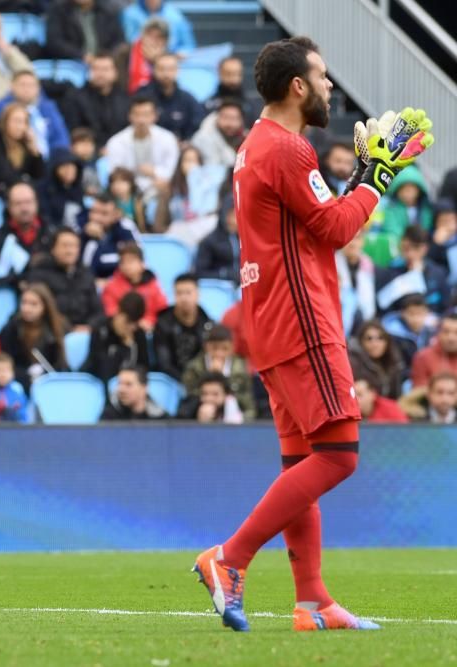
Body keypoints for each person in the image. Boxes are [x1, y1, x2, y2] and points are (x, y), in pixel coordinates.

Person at [192, 37, 433, 633]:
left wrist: (355, 176)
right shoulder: (288, 150)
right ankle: (230, 556)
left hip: (270, 321)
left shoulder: (256, 146)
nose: (330, 87)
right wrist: (376, 176)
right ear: (297, 86)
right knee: (340, 456)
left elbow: (311, 222)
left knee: (302, 461)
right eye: (323, 77)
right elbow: (334, 228)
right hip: (303, 320)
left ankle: (313, 602)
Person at [104, 96, 179, 206]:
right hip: (128, 190)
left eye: (146, 115)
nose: (141, 120)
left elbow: (171, 169)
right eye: (137, 115)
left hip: (158, 187)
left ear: (154, 116)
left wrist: (154, 172)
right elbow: (115, 172)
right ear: (130, 116)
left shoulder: (168, 139)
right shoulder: (116, 142)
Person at [26, 228, 100, 330]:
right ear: (53, 249)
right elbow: (37, 310)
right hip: (52, 333)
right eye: (65, 246)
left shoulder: (86, 274)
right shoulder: (39, 275)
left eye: (74, 246)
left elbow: (99, 312)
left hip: (84, 333)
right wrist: (68, 329)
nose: (70, 251)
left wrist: (89, 326)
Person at [0, 182, 55, 287]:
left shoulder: (51, 233)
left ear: (36, 203)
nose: (24, 208)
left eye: (28, 202)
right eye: (18, 203)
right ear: (9, 206)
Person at [0, 283, 66, 389]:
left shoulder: (57, 328)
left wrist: (43, 374)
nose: (27, 308)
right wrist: (26, 375)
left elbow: (60, 364)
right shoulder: (12, 328)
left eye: (34, 304)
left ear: (45, 306)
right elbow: (6, 360)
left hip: (50, 384)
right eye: (24, 303)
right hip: (19, 381)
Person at [0, 71, 69, 161]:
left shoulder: (48, 107)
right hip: (16, 160)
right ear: (12, 86)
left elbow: (60, 137)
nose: (27, 89)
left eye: (31, 85)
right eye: (22, 85)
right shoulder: (2, 107)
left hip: (48, 162)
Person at [181, 324, 254, 420]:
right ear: (206, 347)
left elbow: (247, 400)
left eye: (224, 349)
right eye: (214, 348)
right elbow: (189, 394)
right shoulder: (194, 368)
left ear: (232, 347)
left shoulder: (240, 368)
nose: (219, 353)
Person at [375, 225, 449, 314]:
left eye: (416, 248)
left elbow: (445, 305)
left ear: (425, 248)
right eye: (406, 248)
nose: (410, 254)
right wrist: (410, 277)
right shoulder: (391, 270)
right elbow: (384, 304)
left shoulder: (437, 273)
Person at [61, 53, 131, 148]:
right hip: (89, 150)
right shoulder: (75, 98)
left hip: (121, 149)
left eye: (105, 69)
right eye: (95, 69)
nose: (100, 74)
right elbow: (75, 130)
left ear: (115, 72)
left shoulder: (126, 98)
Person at [152, 273, 213, 379]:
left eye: (188, 293)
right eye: (179, 293)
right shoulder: (163, 324)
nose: (184, 298)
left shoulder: (208, 323)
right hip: (173, 380)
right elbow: (164, 364)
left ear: (197, 294)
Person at [82, 292, 150, 382]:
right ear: (118, 313)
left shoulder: (138, 334)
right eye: (128, 321)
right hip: (99, 381)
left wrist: (129, 345)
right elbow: (101, 369)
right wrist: (122, 348)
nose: (132, 327)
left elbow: (143, 368)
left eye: (136, 323)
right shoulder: (101, 330)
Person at [136, 53, 204, 141]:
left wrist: (186, 141)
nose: (166, 73)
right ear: (153, 70)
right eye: (161, 69)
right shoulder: (142, 95)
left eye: (170, 69)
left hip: (179, 145)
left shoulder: (187, 98)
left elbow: (197, 122)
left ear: (178, 70)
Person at [0, 102, 46, 197]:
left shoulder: (26, 144)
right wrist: (28, 184)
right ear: (5, 122)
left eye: (24, 122)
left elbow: (40, 176)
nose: (20, 127)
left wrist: (34, 150)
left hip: (24, 194)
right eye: (16, 121)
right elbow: (5, 175)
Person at [101, 244, 166, 327]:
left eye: (131, 261)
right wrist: (135, 323)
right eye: (122, 262)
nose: (126, 266)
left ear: (142, 263)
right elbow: (111, 312)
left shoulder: (153, 285)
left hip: (150, 330)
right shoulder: (111, 287)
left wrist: (149, 321)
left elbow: (162, 311)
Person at [45, 0, 125, 63]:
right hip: (71, 63)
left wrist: (105, 57)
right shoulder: (58, 10)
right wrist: (82, 56)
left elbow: (119, 41)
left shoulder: (107, 11)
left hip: (104, 63)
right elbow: (54, 42)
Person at [347, 319, 405, 400]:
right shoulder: (353, 364)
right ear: (361, 341)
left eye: (380, 338)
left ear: (387, 341)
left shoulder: (394, 362)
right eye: (369, 338)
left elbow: (397, 396)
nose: (375, 344)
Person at [382, 294, 437, 368]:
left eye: (420, 313)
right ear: (402, 313)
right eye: (411, 314)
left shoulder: (433, 331)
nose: (416, 319)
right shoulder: (392, 336)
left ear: (427, 313)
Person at [194, 194, 239, 283]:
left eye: (238, 215)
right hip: (220, 289)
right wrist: (224, 274)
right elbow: (200, 273)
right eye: (231, 215)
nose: (234, 221)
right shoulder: (208, 242)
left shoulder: (244, 240)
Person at [37, 148, 85, 230]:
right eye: (64, 166)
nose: (69, 170)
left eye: (72, 166)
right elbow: (45, 218)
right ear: (55, 169)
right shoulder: (44, 189)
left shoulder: (78, 189)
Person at [123, 0, 195, 52]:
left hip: (171, 56)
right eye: (151, 35)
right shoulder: (130, 13)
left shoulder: (175, 15)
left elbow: (188, 45)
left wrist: (179, 53)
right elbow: (130, 39)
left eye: (159, 36)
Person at [204, 56, 259, 124]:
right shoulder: (209, 105)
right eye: (228, 74)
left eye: (238, 74)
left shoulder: (251, 106)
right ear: (219, 73)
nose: (234, 79)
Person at [191, 100, 246, 169]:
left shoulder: (245, 139)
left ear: (241, 120)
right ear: (217, 117)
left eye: (234, 118)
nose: (229, 123)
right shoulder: (203, 138)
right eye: (225, 117)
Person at [100, 367, 167, 421]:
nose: (121, 390)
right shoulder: (109, 416)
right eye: (119, 384)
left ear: (144, 388)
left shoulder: (160, 419)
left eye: (128, 384)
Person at [177, 371, 244, 424]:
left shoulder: (235, 405)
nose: (209, 399)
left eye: (215, 394)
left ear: (226, 395)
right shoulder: (190, 408)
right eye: (205, 394)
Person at [411, 312, 457, 388]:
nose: (451, 338)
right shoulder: (422, 357)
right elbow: (418, 393)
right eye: (446, 331)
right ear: (437, 333)